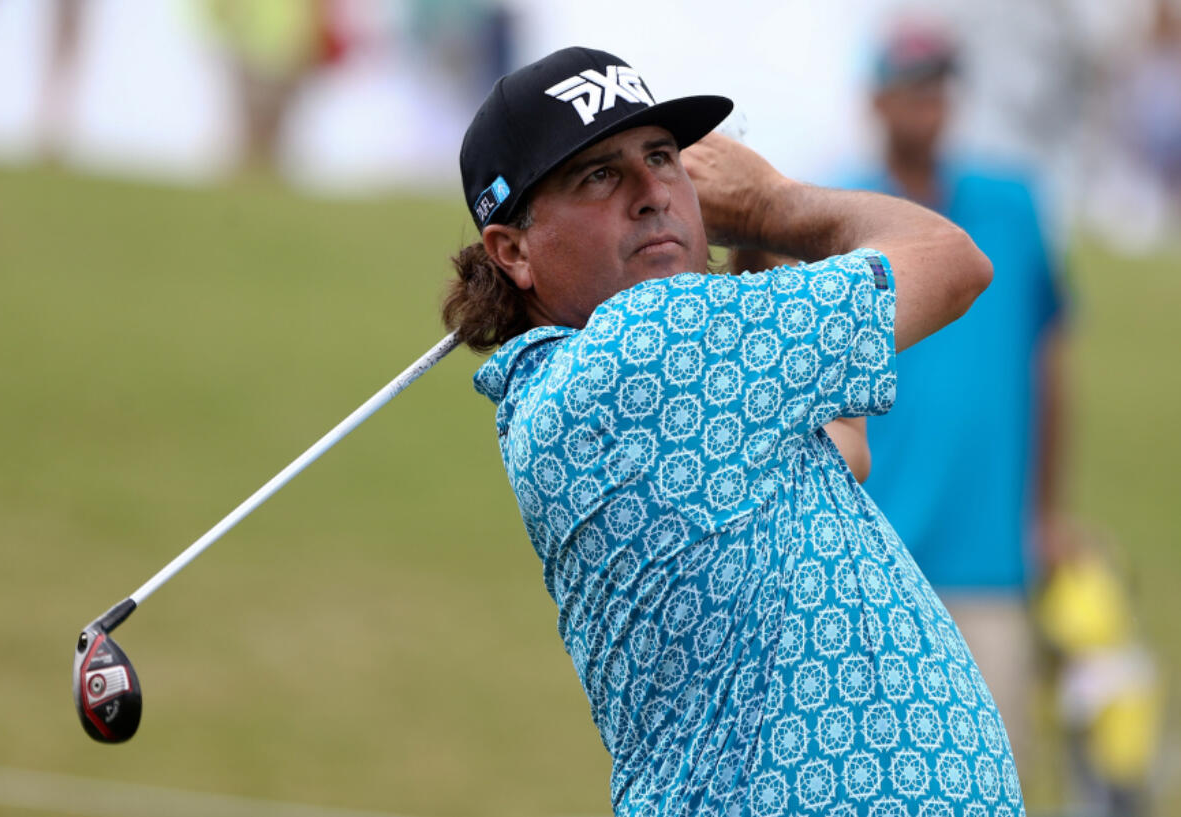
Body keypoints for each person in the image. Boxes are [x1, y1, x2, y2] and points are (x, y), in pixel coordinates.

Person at [444, 46, 1020, 816]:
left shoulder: (588, 382)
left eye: (662, 157)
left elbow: (844, 447)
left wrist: (755, 257)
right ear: (513, 250)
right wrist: (769, 205)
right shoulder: (646, 344)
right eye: (600, 175)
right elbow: (950, 261)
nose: (653, 192)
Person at [837, 19, 1069, 792]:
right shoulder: (838, 215)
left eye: (936, 86)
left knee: (990, 781)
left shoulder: (1014, 209)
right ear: (875, 100)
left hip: (987, 557)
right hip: (872, 554)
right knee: (870, 782)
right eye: (908, 89)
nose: (924, 105)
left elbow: (1049, 366)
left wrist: (1044, 513)